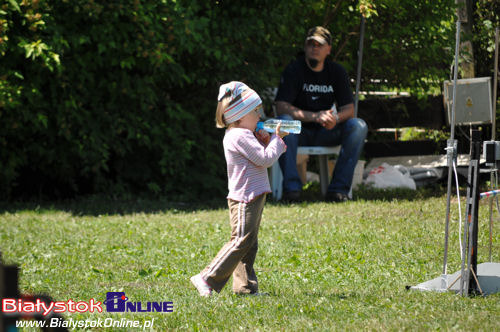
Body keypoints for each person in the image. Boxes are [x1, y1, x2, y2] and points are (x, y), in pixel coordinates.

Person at [190, 81, 287, 296]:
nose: (260, 117)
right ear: (240, 116)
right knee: (241, 239)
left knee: (249, 243)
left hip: (252, 194)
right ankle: (207, 277)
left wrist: (265, 140)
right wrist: (276, 140)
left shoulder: (241, 134)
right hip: (245, 197)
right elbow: (265, 159)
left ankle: (245, 288)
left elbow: (256, 156)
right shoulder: (239, 135)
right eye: (256, 112)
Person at [275, 26, 368, 202]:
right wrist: (314, 116)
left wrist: (336, 119)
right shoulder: (294, 70)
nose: (314, 48)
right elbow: (281, 107)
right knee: (284, 122)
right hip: (298, 132)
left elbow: (349, 109)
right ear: (305, 47)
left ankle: (338, 190)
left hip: (327, 131)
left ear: (328, 50)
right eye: (311, 44)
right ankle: (292, 191)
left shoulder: (337, 72)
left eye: (319, 45)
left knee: (358, 126)